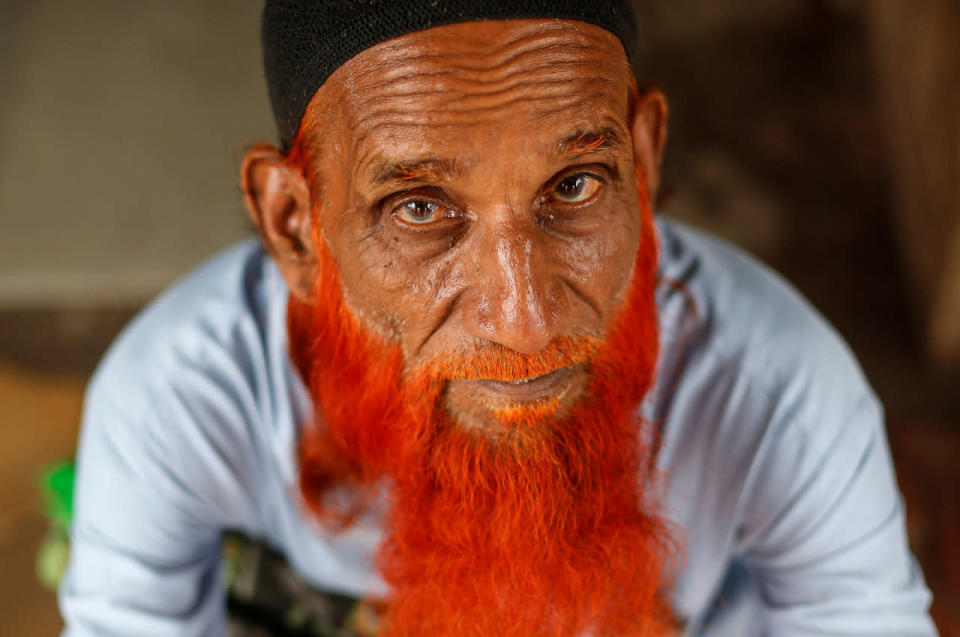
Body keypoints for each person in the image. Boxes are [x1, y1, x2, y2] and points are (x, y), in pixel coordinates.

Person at [58, 1, 937, 635]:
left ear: (644, 160)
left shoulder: (784, 388)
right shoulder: (176, 399)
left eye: (575, 185)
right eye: (418, 209)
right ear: (296, 225)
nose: (523, 322)